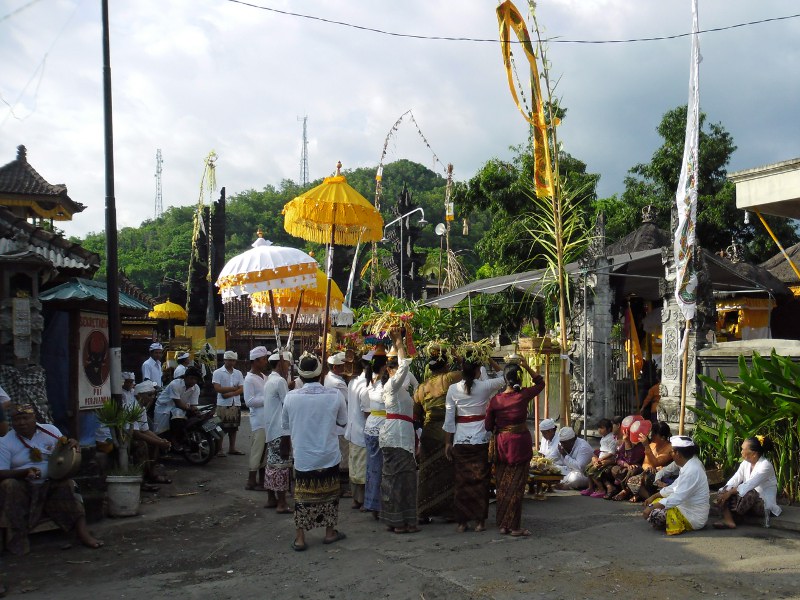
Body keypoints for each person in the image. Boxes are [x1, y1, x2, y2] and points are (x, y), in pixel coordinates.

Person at [0, 403, 103, 555]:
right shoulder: (5, 442)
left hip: (50, 483)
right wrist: (23, 473)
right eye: (16, 419)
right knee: (8, 485)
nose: (21, 423)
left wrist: (72, 444)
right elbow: (1, 473)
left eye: (25, 418)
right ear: (11, 422)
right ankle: (16, 539)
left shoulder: (50, 431)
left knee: (69, 485)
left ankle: (83, 534)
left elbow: (65, 449)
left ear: (34, 417)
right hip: (24, 487)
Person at [282, 353, 348, 551]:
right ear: (320, 374)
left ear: (300, 377)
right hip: (328, 454)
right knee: (330, 495)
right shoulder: (334, 395)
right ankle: (329, 532)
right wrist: (327, 430)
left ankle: (300, 538)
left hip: (303, 456)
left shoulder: (291, 397)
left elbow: (285, 429)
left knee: (301, 496)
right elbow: (343, 423)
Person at [444, 356, 505, 533]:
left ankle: (462, 523)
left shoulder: (452, 389)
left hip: (460, 440)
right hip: (480, 439)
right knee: (480, 480)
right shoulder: (484, 387)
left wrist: (447, 442)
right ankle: (480, 522)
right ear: (479, 371)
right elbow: (505, 376)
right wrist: (489, 359)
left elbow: (449, 420)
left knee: (461, 481)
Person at [485, 361, 545, 536]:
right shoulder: (523, 395)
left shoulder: (496, 400)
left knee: (503, 485)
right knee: (517, 486)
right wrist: (527, 366)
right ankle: (515, 527)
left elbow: (488, 425)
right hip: (519, 445)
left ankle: (504, 524)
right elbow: (540, 383)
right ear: (519, 378)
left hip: (502, 445)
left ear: (504, 379)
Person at [413, 353, 461, 523]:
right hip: (447, 433)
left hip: (428, 434)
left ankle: (423, 513)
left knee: (426, 474)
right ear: (445, 366)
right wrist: (460, 358)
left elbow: (416, 415)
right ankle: (449, 512)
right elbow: (471, 373)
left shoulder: (420, 388)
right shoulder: (450, 378)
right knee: (449, 473)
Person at [379, 332, 419, 534]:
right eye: (393, 366)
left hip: (399, 435)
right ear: (388, 369)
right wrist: (399, 343)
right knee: (400, 479)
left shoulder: (399, 388)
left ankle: (399, 520)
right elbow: (404, 368)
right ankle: (400, 522)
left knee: (398, 479)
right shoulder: (392, 386)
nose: (397, 369)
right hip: (398, 437)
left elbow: (407, 375)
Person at [643, 435, 709, 535]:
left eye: (672, 452)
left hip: (692, 516)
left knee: (656, 513)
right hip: (685, 507)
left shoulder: (692, 469)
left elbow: (677, 496)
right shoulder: (689, 465)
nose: (671, 455)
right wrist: (654, 496)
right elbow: (675, 487)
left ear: (678, 454)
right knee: (657, 503)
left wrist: (652, 507)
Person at [714, 436, 782, 529]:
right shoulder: (745, 463)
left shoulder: (766, 465)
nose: (741, 452)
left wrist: (730, 492)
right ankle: (729, 520)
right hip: (747, 502)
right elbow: (735, 479)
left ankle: (733, 517)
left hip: (763, 505)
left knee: (750, 492)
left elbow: (750, 484)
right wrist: (725, 490)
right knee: (724, 490)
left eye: (743, 449)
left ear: (753, 454)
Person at [263, 351, 293, 513]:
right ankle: (281, 503)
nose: (288, 368)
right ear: (281, 364)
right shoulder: (279, 381)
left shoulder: (270, 381)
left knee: (272, 465)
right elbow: (288, 404)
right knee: (281, 466)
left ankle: (271, 498)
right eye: (287, 364)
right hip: (281, 431)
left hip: (272, 429)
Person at [129, 380, 172, 486]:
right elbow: (136, 433)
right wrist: (159, 442)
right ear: (140, 395)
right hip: (127, 436)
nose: (152, 397)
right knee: (142, 444)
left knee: (155, 443)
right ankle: (142, 478)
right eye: (149, 395)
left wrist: (160, 440)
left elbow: (146, 430)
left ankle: (151, 474)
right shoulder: (132, 407)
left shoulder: (142, 408)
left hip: (137, 434)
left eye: (153, 395)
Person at [362, 348, 388, 518]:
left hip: (370, 426)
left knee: (372, 467)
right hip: (382, 427)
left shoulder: (370, 384)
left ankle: (372, 504)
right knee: (382, 468)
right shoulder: (384, 386)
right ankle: (379, 505)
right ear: (385, 366)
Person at [622, 421, 672, 503]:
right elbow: (643, 463)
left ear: (662, 437)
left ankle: (649, 499)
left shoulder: (670, 447)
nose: (651, 436)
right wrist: (627, 441)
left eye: (654, 434)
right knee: (632, 473)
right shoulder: (652, 444)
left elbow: (657, 463)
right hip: (646, 472)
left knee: (640, 479)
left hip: (660, 475)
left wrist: (646, 446)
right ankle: (644, 496)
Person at [153, 367, 201, 448]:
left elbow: (193, 405)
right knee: (165, 429)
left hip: (180, 408)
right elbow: (178, 403)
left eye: (195, 379)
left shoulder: (196, 388)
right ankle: (174, 440)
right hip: (164, 407)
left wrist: (194, 410)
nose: (193, 381)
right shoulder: (175, 384)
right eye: (191, 378)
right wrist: (191, 409)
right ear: (185, 377)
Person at [324, 352, 351, 497]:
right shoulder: (337, 383)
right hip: (340, 423)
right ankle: (341, 488)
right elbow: (349, 399)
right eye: (342, 366)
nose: (344, 367)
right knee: (342, 458)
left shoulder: (329, 378)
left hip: (334, 423)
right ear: (335, 367)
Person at [344, 354, 369, 510]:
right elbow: (367, 412)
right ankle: (362, 499)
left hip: (353, 430)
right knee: (362, 468)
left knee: (354, 466)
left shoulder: (353, 382)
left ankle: (357, 499)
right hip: (362, 430)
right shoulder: (364, 385)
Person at [243, 346, 270, 491]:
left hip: (267, 419)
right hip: (258, 420)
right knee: (258, 450)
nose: (266, 362)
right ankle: (251, 480)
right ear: (255, 361)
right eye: (263, 359)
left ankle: (261, 480)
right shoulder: (249, 379)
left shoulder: (265, 377)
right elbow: (249, 401)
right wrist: (268, 399)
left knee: (265, 451)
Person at [212, 350, 245, 457]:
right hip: (223, 404)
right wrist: (233, 389)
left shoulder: (238, 373)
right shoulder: (217, 372)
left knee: (233, 428)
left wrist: (228, 394)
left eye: (233, 361)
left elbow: (242, 389)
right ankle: (219, 449)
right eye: (229, 360)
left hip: (235, 403)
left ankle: (232, 448)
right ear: (225, 360)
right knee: (220, 427)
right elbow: (217, 388)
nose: (231, 362)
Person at [605, 428, 645, 500]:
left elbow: (631, 460)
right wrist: (626, 464)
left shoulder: (641, 445)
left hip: (637, 467)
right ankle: (625, 489)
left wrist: (627, 443)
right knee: (614, 469)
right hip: (625, 466)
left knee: (633, 470)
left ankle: (625, 490)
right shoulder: (624, 442)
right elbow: (619, 459)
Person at [581, 418, 617, 498]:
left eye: (602, 428)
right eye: (599, 428)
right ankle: (590, 488)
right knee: (588, 467)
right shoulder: (603, 438)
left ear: (609, 429)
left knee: (593, 470)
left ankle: (601, 489)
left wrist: (602, 459)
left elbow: (612, 452)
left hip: (607, 460)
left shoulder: (612, 438)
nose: (599, 430)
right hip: (600, 458)